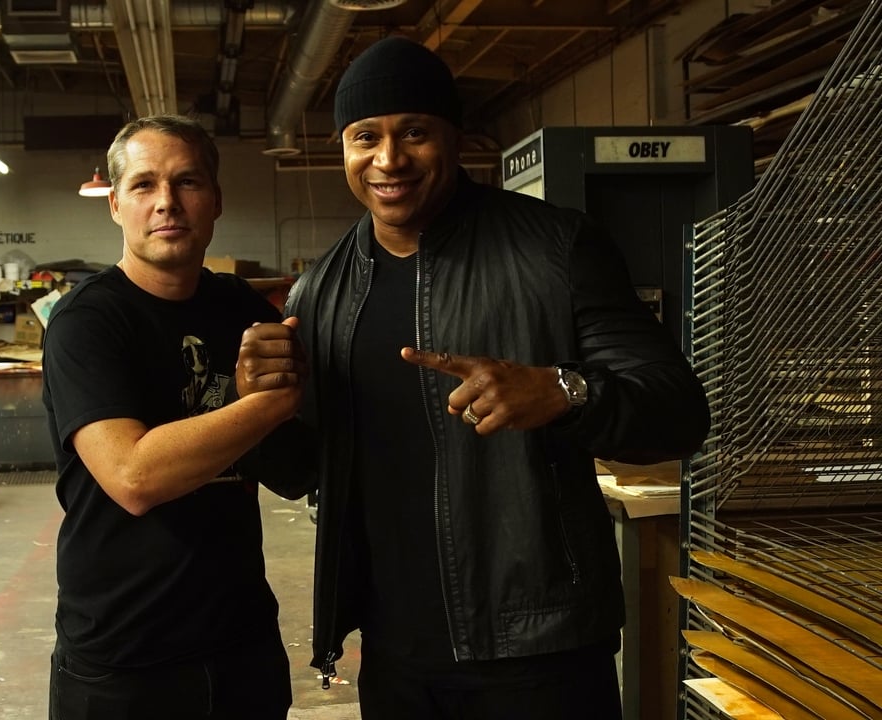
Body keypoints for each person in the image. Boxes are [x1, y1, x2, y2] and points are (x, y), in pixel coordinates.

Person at [278, 36, 710, 719]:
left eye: (413, 132)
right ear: (344, 149)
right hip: (394, 651)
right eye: (366, 137)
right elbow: (303, 467)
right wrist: (257, 406)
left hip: (538, 650)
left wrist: (565, 393)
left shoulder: (557, 249)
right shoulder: (319, 291)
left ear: (454, 138)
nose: (388, 159)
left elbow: (679, 413)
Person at [42, 114, 309, 720]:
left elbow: (294, 471)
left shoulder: (239, 309)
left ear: (216, 201)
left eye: (187, 181)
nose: (167, 201)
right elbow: (134, 477)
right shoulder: (87, 322)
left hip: (240, 642)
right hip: (125, 655)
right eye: (144, 185)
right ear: (116, 205)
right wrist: (263, 404)